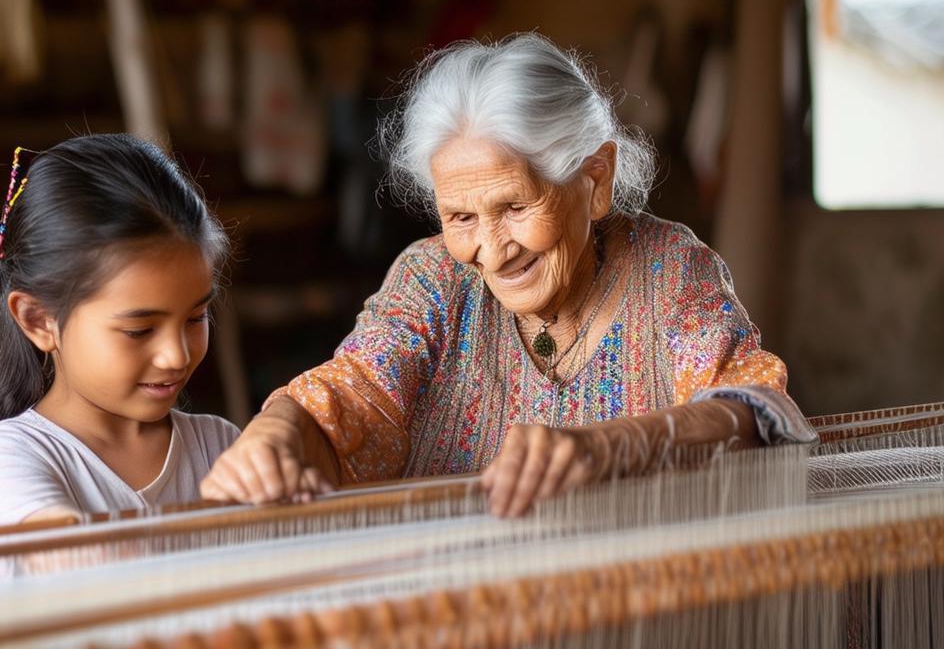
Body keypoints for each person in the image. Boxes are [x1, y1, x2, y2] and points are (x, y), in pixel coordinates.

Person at [200, 33, 815, 518]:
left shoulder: (670, 271)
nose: (492, 253)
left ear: (594, 179)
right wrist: (278, 432)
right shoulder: (433, 279)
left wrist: (610, 447)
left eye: (515, 208)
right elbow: (355, 389)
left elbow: (754, 407)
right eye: (461, 216)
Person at [0, 135, 238, 528]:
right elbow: (66, 556)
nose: (177, 355)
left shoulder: (219, 448)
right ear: (39, 320)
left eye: (195, 318)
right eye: (139, 330)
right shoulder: (13, 456)